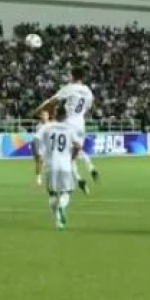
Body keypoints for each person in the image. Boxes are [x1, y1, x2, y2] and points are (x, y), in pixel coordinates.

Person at [35, 67, 98, 195]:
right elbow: (90, 107)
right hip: (81, 124)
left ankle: (78, 180)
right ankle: (90, 168)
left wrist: (39, 109)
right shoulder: (88, 91)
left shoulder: (70, 88)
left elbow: (53, 101)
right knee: (77, 150)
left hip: (68, 123)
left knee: (66, 156)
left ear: (73, 76)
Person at [33, 104, 83, 230]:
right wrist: (72, 157)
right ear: (66, 115)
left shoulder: (47, 127)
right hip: (65, 164)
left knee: (52, 194)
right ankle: (62, 206)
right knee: (67, 192)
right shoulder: (70, 128)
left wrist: (37, 156)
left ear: (54, 115)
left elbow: (34, 141)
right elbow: (77, 146)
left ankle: (58, 222)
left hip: (50, 165)